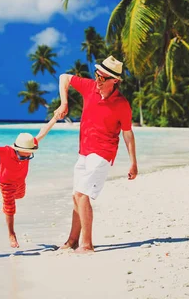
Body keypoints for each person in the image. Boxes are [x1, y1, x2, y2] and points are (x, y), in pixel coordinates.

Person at [54, 55, 139, 253]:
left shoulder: (121, 104)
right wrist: (64, 103)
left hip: (103, 152)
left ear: (114, 81)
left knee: (83, 195)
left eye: (103, 78)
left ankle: (87, 244)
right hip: (84, 150)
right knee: (76, 195)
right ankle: (72, 241)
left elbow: (127, 133)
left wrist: (133, 163)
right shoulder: (89, 87)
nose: (98, 81)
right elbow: (64, 77)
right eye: (97, 75)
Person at [0, 116, 58, 248]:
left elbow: (43, 132)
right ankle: (11, 234)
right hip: (6, 184)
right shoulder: (6, 151)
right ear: (16, 149)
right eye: (23, 155)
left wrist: (55, 118)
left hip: (20, 182)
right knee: (10, 208)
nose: (26, 156)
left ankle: (8, 203)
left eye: (29, 155)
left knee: (20, 196)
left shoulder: (28, 146)